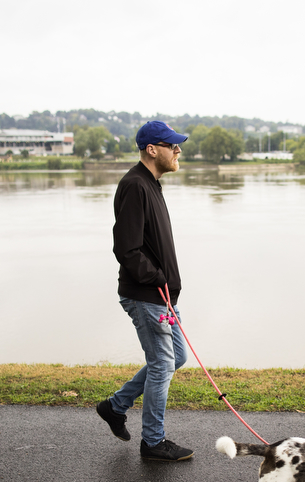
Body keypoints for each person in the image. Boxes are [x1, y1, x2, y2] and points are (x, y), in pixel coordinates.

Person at [96, 121, 193, 461]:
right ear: (153, 149)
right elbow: (127, 249)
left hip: (162, 295)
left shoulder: (151, 184)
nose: (178, 150)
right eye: (172, 145)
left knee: (175, 357)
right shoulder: (135, 186)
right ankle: (153, 441)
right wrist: (156, 278)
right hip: (146, 295)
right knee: (163, 362)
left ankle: (115, 405)